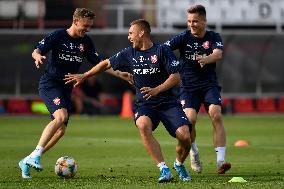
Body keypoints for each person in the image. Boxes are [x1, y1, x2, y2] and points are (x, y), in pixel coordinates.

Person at [64, 19, 193, 182]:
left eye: (131, 33)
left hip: (167, 102)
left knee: (185, 136)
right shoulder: (128, 53)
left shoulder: (162, 51)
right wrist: (84, 75)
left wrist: (157, 90)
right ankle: (164, 169)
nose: (128, 36)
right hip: (145, 104)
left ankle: (179, 164)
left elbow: (176, 77)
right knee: (143, 125)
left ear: (142, 33)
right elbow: (104, 64)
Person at [18, 8, 127, 179]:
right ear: (75, 21)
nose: (87, 29)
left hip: (66, 89)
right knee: (61, 117)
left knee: (60, 130)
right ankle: (36, 155)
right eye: (85, 25)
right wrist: (37, 57)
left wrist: (121, 74)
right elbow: (37, 49)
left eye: (90, 26)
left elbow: (101, 65)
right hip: (50, 84)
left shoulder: (86, 42)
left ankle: (28, 159)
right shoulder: (58, 36)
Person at [164, 4, 231, 174]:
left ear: (204, 21)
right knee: (190, 119)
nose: (191, 24)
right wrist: (170, 62)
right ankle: (193, 152)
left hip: (209, 85)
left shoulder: (213, 36)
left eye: (195, 21)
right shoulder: (182, 38)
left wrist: (205, 58)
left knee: (216, 114)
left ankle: (220, 161)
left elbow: (218, 54)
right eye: (189, 21)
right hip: (188, 87)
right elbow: (163, 49)